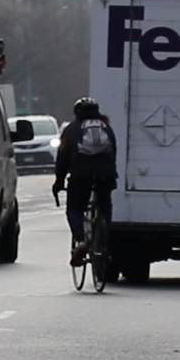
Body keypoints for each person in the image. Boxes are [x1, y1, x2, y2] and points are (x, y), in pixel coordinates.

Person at [52, 97, 119, 266]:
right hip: (105, 174)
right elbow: (114, 153)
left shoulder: (71, 129)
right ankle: (104, 235)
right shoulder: (107, 128)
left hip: (80, 175)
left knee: (74, 208)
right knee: (105, 204)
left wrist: (59, 182)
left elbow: (63, 157)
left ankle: (81, 241)